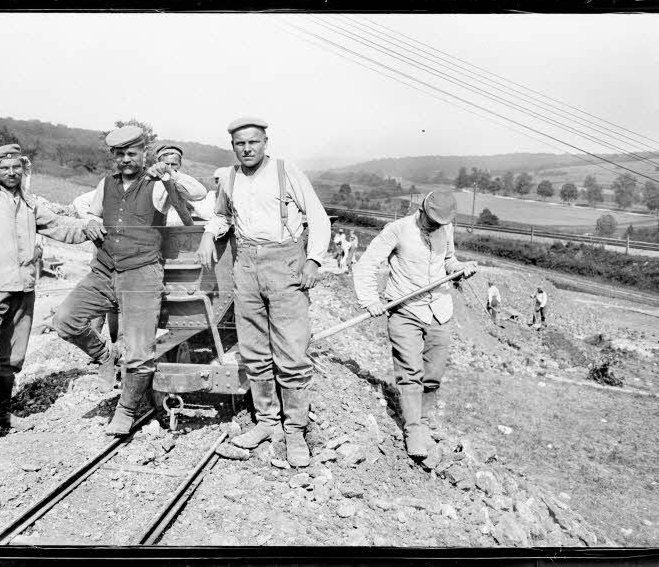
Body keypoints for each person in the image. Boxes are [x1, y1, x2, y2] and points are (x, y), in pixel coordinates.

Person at [53, 125, 207, 437]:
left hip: (142, 274)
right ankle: (106, 355)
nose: (126, 159)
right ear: (113, 156)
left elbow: (199, 193)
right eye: (120, 154)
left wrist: (168, 174)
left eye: (132, 153)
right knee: (65, 320)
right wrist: (92, 222)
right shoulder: (106, 183)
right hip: (104, 270)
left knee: (139, 351)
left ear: (143, 154)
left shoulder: (157, 184)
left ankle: (126, 411)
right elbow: (90, 210)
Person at [0, 144, 99, 445]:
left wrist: (89, 227)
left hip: (23, 292)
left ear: (23, 170)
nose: (11, 173)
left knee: (11, 358)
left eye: (16, 167)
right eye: (4, 168)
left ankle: (2, 414)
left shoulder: (29, 204)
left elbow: (60, 226)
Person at [196, 117, 331, 467]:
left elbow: (318, 216)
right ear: (233, 147)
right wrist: (210, 233)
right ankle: (267, 422)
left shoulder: (287, 171)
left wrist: (314, 260)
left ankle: (296, 430)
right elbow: (223, 215)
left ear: (265, 142)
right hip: (246, 264)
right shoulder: (229, 177)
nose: (247, 149)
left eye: (253, 142)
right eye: (240, 144)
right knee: (254, 350)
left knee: (291, 350)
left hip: (285, 261)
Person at [353, 191, 476, 460]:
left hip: (439, 311)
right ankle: (413, 430)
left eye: (440, 223)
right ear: (422, 210)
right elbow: (366, 264)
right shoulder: (397, 230)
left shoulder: (446, 228)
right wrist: (370, 299)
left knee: (432, 376)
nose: (436, 227)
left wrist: (460, 267)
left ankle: (422, 420)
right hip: (405, 309)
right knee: (410, 373)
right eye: (432, 221)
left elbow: (448, 260)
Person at [69, 144, 210, 226]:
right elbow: (80, 202)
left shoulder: (180, 182)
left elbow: (200, 194)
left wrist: (173, 175)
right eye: (165, 164)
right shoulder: (143, 179)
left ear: (180, 165)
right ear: (156, 162)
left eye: (173, 164)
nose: (168, 167)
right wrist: (99, 225)